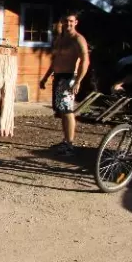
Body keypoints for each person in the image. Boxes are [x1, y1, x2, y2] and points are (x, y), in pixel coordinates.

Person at [39, 13, 90, 156]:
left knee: (67, 110)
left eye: (71, 21)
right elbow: (55, 60)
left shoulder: (78, 39)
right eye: (66, 21)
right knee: (62, 110)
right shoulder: (60, 39)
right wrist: (45, 78)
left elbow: (85, 61)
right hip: (59, 77)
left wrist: (78, 81)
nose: (68, 24)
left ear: (76, 22)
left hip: (69, 77)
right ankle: (65, 140)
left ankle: (70, 145)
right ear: (61, 21)